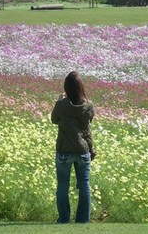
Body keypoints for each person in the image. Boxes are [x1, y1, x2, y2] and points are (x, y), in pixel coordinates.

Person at [51, 71, 96, 224]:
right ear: (80, 87)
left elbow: (54, 120)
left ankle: (63, 219)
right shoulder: (88, 105)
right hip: (82, 150)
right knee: (84, 185)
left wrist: (58, 102)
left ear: (66, 88)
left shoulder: (61, 105)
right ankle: (83, 220)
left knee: (63, 186)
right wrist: (91, 149)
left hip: (64, 151)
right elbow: (88, 126)